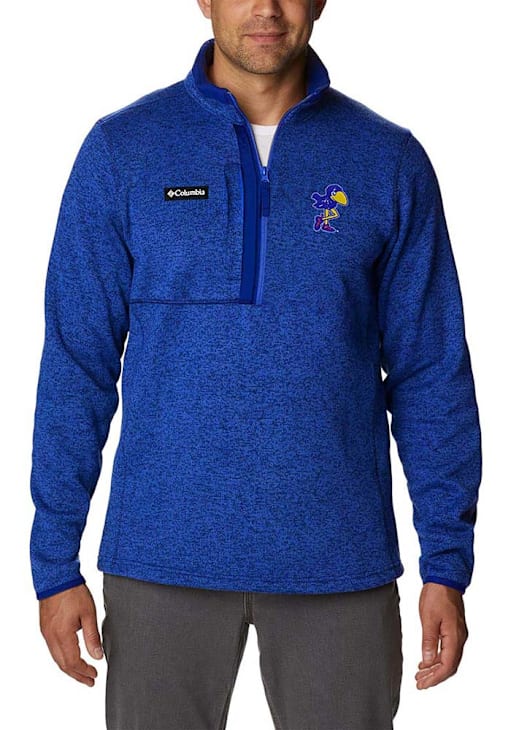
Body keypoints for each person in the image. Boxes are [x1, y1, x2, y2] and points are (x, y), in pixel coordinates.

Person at [29, 1, 482, 728]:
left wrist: (446, 563)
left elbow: (431, 372)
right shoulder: (123, 152)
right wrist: (55, 563)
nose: (266, 7)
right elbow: (75, 364)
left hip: (339, 565)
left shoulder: (387, 159)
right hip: (161, 559)